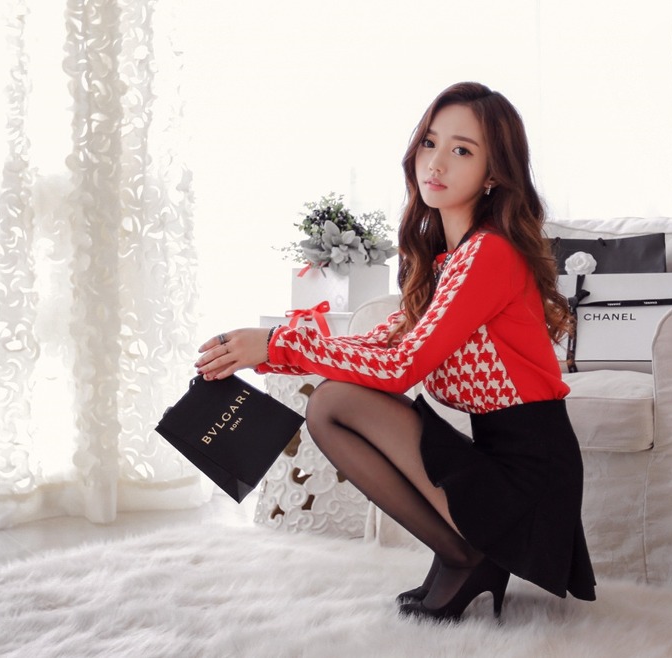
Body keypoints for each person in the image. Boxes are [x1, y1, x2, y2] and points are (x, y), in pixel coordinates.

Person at [195, 81, 596, 622]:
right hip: (500, 455)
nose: (436, 162)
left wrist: (273, 343)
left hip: (530, 474)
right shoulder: (450, 258)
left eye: (462, 150)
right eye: (430, 142)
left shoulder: (490, 255)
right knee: (333, 400)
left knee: (334, 403)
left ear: (494, 173)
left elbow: (399, 367)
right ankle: (462, 554)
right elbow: (381, 342)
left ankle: (467, 555)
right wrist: (262, 352)